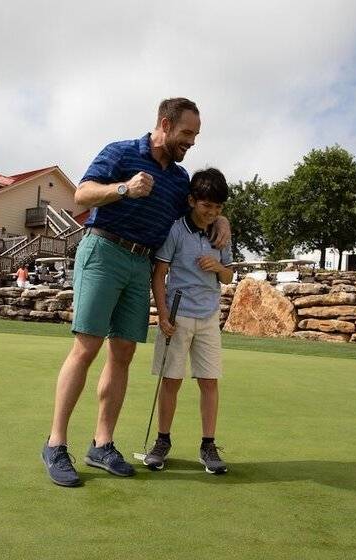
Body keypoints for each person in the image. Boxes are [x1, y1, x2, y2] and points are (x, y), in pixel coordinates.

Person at [41, 97, 230, 487]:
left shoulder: (179, 179)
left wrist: (223, 218)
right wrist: (124, 188)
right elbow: (82, 194)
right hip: (104, 250)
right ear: (165, 124)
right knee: (86, 347)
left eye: (196, 135)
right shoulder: (121, 152)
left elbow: (198, 209)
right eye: (187, 133)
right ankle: (55, 444)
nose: (192, 141)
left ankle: (102, 444)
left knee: (123, 352)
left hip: (142, 263)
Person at [145, 168, 233, 475]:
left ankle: (208, 445)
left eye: (218, 208)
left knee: (209, 382)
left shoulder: (221, 233)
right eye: (207, 205)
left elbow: (228, 276)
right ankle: (162, 442)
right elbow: (159, 274)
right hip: (178, 315)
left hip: (209, 316)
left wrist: (218, 268)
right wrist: (163, 314)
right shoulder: (176, 230)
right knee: (171, 381)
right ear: (192, 201)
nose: (212, 213)